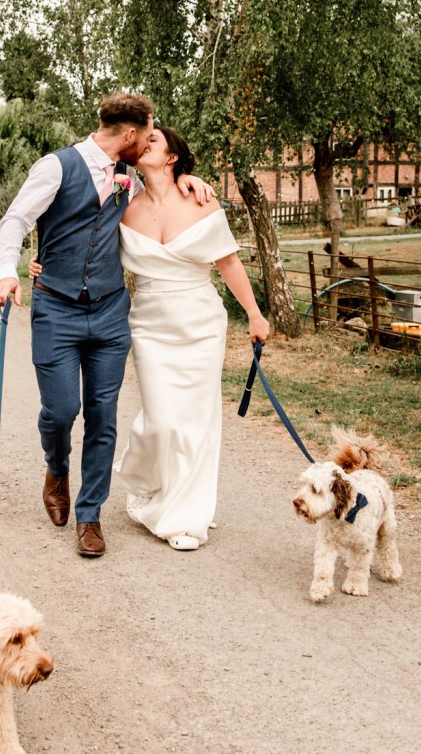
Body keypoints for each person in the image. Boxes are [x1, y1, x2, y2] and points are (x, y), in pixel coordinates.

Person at [0, 94, 214, 559]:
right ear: (129, 136)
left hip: (111, 313)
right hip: (56, 309)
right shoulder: (56, 167)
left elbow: (163, 196)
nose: (151, 140)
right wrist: (8, 272)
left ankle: (89, 516)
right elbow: (15, 220)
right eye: (148, 133)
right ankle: (56, 468)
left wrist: (187, 178)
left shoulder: (130, 179)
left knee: (102, 416)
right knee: (60, 410)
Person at [113, 126, 270, 551]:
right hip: (148, 325)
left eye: (155, 141)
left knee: (197, 423)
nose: (145, 143)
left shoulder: (201, 200)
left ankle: (186, 518)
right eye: (141, 139)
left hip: (200, 324)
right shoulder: (123, 206)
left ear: (172, 158)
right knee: (162, 420)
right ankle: (152, 485)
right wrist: (42, 264)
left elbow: (229, 262)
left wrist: (254, 315)